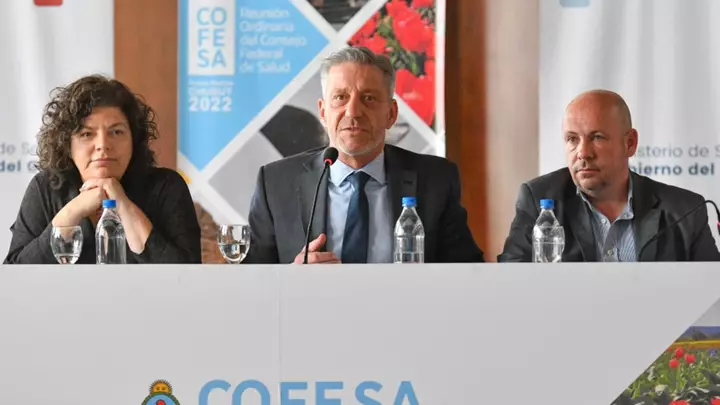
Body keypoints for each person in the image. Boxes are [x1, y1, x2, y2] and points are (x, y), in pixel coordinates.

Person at [245, 46, 484, 264]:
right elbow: (251, 280)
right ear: (323, 112)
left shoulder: (435, 180)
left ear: (391, 114)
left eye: (368, 98)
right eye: (340, 97)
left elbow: (467, 272)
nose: (353, 111)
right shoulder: (276, 183)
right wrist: (293, 277)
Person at [499, 89, 720, 262]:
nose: (583, 153)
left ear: (630, 143)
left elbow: (711, 292)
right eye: (572, 139)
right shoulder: (538, 199)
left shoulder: (685, 211)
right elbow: (510, 281)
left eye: (597, 137)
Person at [4, 75, 202, 264]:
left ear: (134, 140)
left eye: (116, 132)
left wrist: (123, 205)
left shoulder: (166, 187)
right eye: (87, 134)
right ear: (67, 145)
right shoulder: (46, 188)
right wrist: (73, 211)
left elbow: (187, 276)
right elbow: (15, 275)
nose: (103, 145)